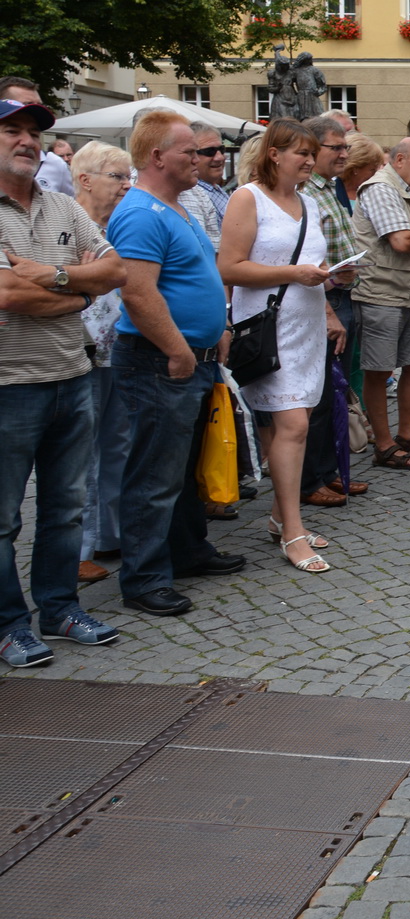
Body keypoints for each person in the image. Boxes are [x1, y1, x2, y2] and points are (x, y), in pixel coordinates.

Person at [0, 99, 127, 665]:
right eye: (12, 131)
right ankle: (9, 625)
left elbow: (115, 269)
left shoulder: (60, 204)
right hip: (9, 385)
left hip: (72, 377)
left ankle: (58, 609)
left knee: (64, 508)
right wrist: (80, 293)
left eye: (32, 132)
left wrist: (53, 279)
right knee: (4, 517)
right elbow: (6, 296)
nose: (25, 140)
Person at [108, 110, 241, 619]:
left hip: (190, 357)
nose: (203, 159)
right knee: (154, 473)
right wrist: (179, 350)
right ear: (158, 156)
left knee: (182, 467)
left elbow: (195, 278)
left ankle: (187, 550)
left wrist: (220, 329)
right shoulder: (142, 213)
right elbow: (138, 294)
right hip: (160, 360)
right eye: (191, 151)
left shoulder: (177, 207)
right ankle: (143, 578)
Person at [218, 119, 340, 572]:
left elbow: (311, 262)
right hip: (269, 329)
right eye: (301, 153)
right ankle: (292, 530)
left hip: (306, 326)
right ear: (274, 154)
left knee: (299, 423)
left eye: (312, 154)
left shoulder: (308, 202)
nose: (309, 161)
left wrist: (333, 273)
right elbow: (229, 267)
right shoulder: (247, 198)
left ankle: (278, 516)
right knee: (292, 426)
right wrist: (294, 274)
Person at [70, 141, 134, 586]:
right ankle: (77, 548)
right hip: (78, 353)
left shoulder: (117, 225)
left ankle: (110, 534)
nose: (127, 185)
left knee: (117, 444)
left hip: (119, 350)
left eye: (129, 176)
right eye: (118, 177)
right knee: (79, 454)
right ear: (85, 179)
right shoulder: (67, 222)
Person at [353, 138, 410, 470]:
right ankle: (384, 445)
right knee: (379, 370)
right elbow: (401, 241)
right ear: (399, 159)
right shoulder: (379, 188)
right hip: (379, 292)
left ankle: (408, 436)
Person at [299, 113, 364, 508]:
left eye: (345, 146)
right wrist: (327, 306)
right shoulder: (307, 191)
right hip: (324, 298)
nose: (344, 153)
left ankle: (328, 472)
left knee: (333, 392)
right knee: (318, 395)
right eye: (336, 147)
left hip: (342, 295)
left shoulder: (329, 188)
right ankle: (311, 480)